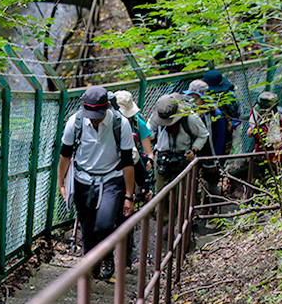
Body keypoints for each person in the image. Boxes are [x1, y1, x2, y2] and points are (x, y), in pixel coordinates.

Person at [57, 85, 136, 279]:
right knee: (87, 226)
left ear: (107, 107)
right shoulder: (74, 123)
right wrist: (61, 183)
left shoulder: (120, 123)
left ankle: (106, 255)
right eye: (89, 113)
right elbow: (65, 155)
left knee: (104, 224)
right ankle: (91, 261)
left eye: (97, 114)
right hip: (83, 179)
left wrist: (129, 195)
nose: (93, 118)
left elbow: (127, 161)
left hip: (111, 178)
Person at [147, 93, 209, 194]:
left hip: (182, 158)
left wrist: (194, 149)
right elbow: (149, 130)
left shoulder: (190, 118)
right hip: (162, 159)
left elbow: (203, 134)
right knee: (161, 194)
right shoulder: (158, 114)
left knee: (180, 196)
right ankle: (162, 210)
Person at [183, 80, 227, 208]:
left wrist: (215, 160)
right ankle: (193, 213)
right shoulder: (188, 114)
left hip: (210, 154)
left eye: (195, 99)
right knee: (190, 186)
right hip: (193, 153)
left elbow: (220, 139)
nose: (192, 101)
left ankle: (215, 212)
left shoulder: (215, 114)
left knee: (211, 185)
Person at [113, 89, 154, 202]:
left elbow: (149, 152)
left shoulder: (138, 123)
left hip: (134, 164)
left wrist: (148, 162)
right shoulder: (108, 124)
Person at [247, 92, 282, 174]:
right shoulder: (254, 115)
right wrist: (251, 130)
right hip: (260, 155)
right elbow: (250, 129)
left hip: (278, 157)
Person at [203, 69, 241, 154]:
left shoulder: (229, 97)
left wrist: (232, 124)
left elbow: (238, 117)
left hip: (225, 135)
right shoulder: (201, 97)